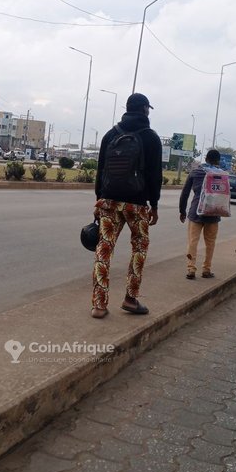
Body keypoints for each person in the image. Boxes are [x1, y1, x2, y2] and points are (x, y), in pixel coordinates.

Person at [91, 93, 162, 319]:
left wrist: (99, 199)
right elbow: (155, 175)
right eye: (148, 109)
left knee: (104, 250)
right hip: (137, 205)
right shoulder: (151, 137)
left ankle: (99, 305)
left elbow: (101, 171)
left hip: (109, 201)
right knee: (139, 249)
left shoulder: (110, 135)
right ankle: (130, 299)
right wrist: (155, 204)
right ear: (144, 110)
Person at [179, 148, 222, 279]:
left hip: (195, 212)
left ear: (206, 158)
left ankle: (191, 269)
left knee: (193, 241)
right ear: (218, 161)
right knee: (210, 243)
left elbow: (185, 194)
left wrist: (182, 211)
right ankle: (206, 270)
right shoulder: (221, 175)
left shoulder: (195, 172)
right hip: (213, 214)